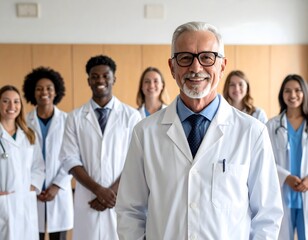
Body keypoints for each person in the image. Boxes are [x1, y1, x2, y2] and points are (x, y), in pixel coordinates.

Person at [115, 21, 283, 239]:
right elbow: (130, 211)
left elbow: (267, 217)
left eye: (207, 57)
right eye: (185, 58)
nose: (195, 68)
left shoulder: (252, 132)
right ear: (172, 67)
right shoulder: (144, 133)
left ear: (222, 66)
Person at [59, 55, 141, 240]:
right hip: (88, 199)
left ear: (114, 79)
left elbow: (137, 161)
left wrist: (110, 193)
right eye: (95, 76)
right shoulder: (75, 117)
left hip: (120, 198)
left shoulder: (131, 116)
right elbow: (70, 159)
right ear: (88, 80)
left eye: (105, 75)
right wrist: (99, 190)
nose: (100, 80)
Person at [22, 67, 73, 240]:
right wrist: (33, 186)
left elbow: (73, 157)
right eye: (39, 88)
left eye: (49, 88)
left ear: (56, 91)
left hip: (59, 193)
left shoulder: (68, 120)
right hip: (31, 192)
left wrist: (57, 185)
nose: (44, 92)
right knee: (30, 234)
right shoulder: (24, 122)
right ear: (32, 92)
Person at [266, 74, 308, 240]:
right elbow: (266, 161)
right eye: (287, 91)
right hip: (284, 191)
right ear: (282, 95)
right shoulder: (272, 125)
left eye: (297, 90)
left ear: (304, 93)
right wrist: (286, 177)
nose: (292, 95)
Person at [0, 85, 45, 240]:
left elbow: (38, 166)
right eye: (6, 101)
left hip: (26, 201)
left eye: (16, 101)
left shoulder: (28, 134)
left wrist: (31, 186)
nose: (12, 106)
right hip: (3, 202)